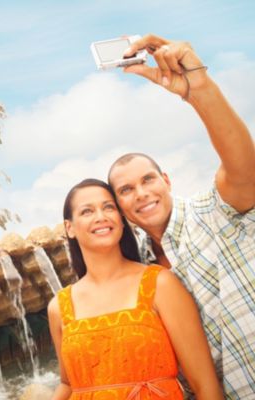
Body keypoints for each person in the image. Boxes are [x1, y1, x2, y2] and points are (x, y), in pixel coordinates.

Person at [107, 34, 255, 398]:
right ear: (119, 206)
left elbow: (245, 170)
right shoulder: (137, 271)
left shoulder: (213, 211)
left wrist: (198, 91)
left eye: (148, 180)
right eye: (126, 190)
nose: (141, 193)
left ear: (167, 180)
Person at [48, 178, 223, 400]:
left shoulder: (159, 284)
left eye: (108, 207)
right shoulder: (59, 306)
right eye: (87, 211)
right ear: (69, 228)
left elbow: (205, 386)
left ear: (121, 220)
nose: (100, 217)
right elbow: (67, 383)